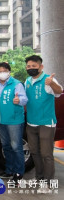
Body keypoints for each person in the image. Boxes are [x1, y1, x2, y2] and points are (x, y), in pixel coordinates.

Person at [24, 55, 63, 184]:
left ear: (41, 67)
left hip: (46, 123)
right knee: (34, 152)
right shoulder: (27, 81)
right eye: (28, 66)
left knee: (46, 154)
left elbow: (59, 91)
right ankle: (39, 176)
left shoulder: (48, 79)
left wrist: (52, 83)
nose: (30, 68)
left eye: (34, 66)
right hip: (31, 122)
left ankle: (48, 182)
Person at [0, 62, 28, 185]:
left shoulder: (17, 84)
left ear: (9, 72)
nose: (2, 73)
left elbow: (24, 99)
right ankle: (9, 170)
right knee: (5, 146)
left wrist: (19, 100)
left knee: (16, 147)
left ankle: (19, 172)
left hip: (14, 121)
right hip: (1, 121)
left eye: (4, 70)